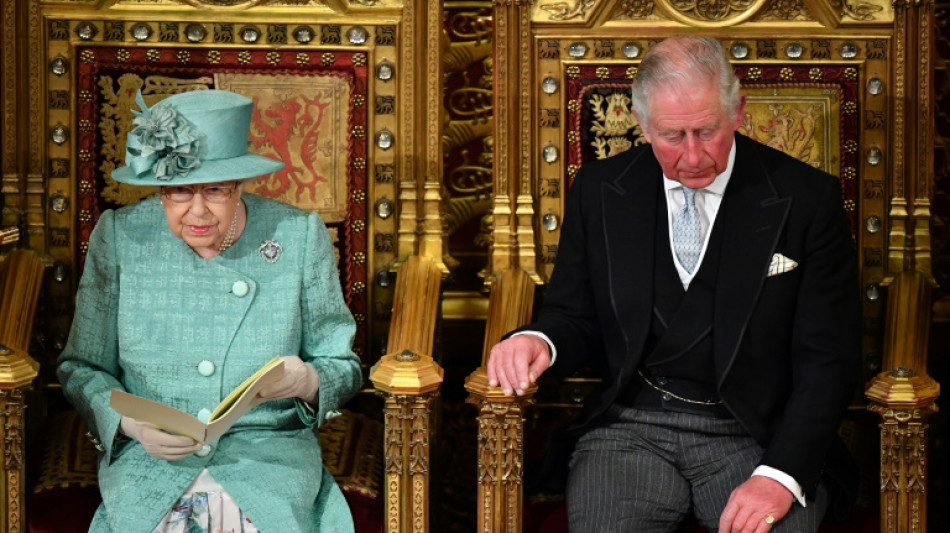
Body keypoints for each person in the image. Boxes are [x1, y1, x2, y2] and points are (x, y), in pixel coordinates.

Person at [487, 36, 859, 533]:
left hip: (754, 434)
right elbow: (574, 315)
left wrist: (780, 474)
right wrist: (539, 340)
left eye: (706, 131)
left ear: (738, 112)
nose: (691, 155)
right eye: (671, 135)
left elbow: (828, 358)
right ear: (640, 124)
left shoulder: (807, 198)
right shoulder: (600, 190)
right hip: (629, 429)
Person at [57, 89, 363, 533]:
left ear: (240, 185)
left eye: (215, 190)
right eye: (179, 192)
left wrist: (308, 381)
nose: (197, 211)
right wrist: (131, 424)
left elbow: (342, 366)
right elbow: (81, 367)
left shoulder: (296, 235)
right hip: (153, 463)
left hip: (266, 461)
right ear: (160, 188)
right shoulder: (121, 237)